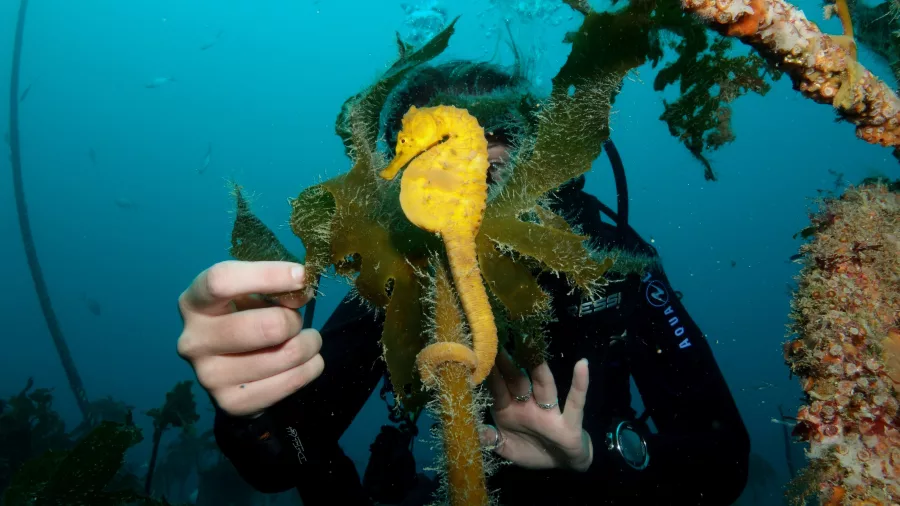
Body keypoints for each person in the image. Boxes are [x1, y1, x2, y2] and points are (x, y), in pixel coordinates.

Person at [176, 60, 750, 505]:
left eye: (498, 135)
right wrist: (251, 402)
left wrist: (592, 459)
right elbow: (283, 461)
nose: (462, 169)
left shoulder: (608, 258)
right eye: (420, 151)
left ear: (540, 157)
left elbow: (722, 463)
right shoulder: (401, 275)